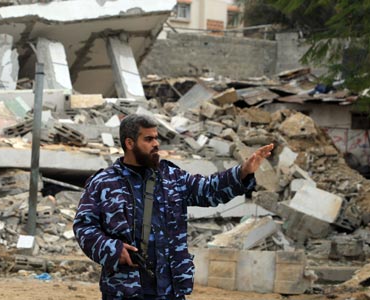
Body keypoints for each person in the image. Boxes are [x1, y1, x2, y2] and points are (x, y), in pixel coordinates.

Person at [73, 114, 273, 300]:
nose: (156, 144)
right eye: (148, 139)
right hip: (126, 288)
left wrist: (242, 172)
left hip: (169, 288)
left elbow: (208, 190)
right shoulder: (104, 182)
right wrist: (112, 249)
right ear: (129, 143)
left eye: (156, 138)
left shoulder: (171, 177)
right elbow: (84, 226)